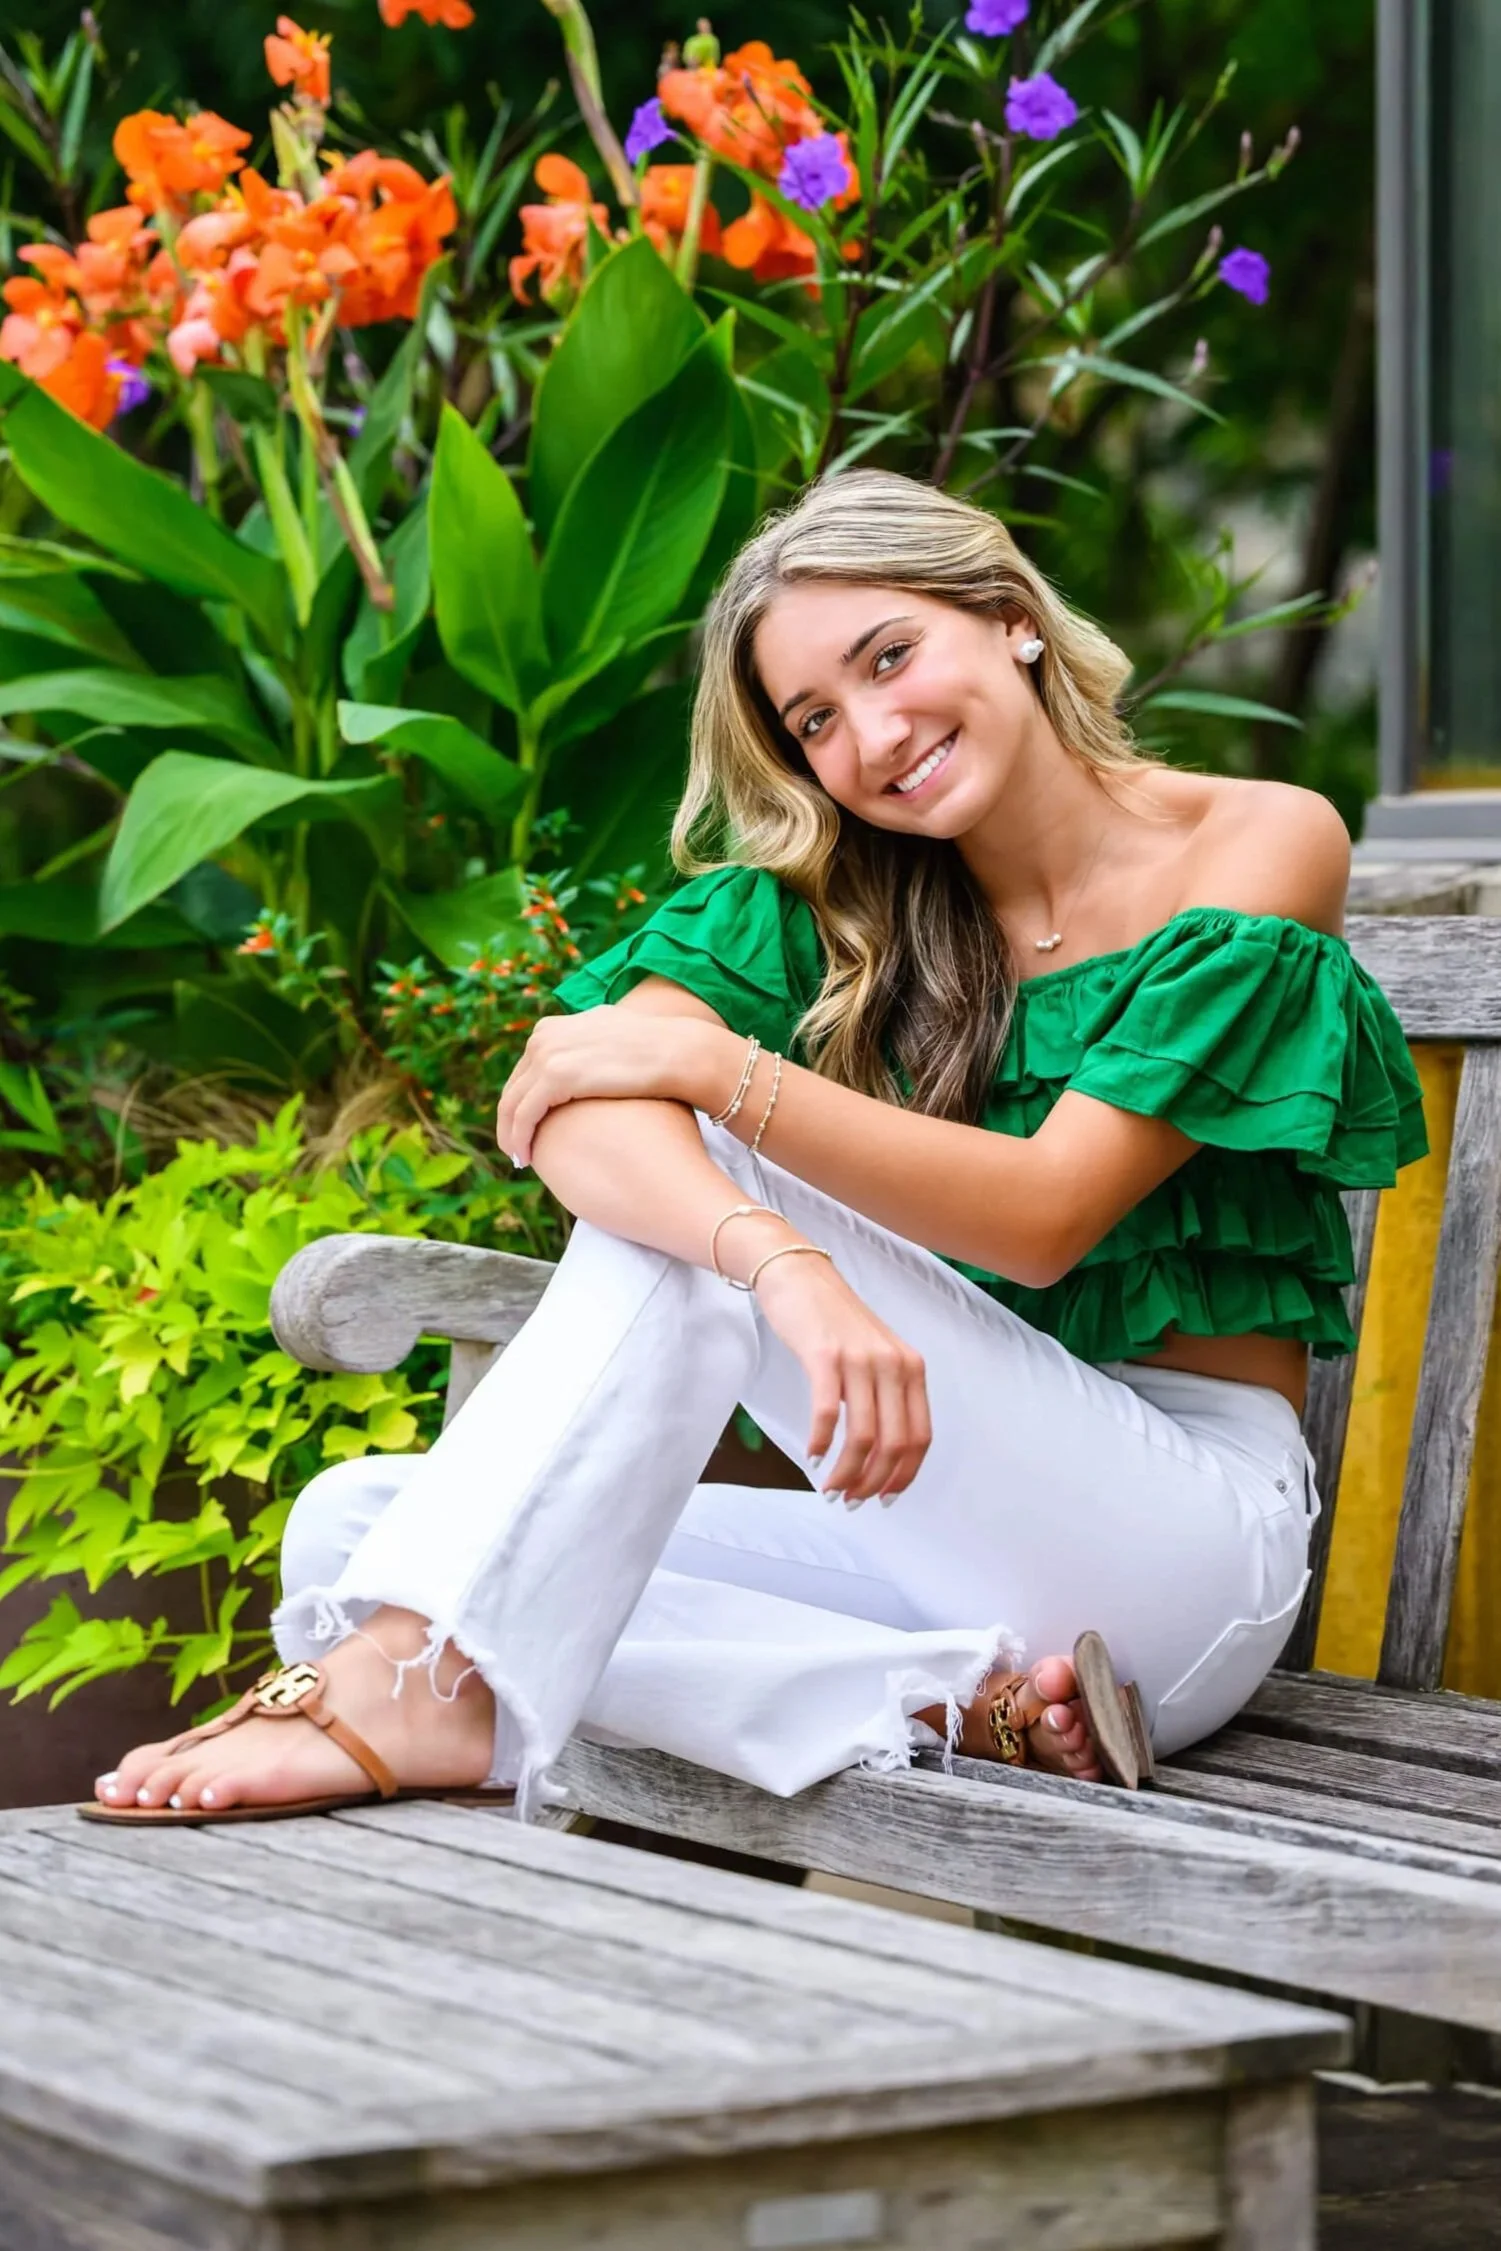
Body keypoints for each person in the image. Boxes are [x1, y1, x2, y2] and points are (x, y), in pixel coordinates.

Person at [85, 468, 1426, 1828]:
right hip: (948, 1562)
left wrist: (726, 1076)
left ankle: (422, 1692)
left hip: (1175, 1551)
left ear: (1011, 614)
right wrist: (780, 1262)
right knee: (358, 1534)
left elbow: (1048, 1212)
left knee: (457, 1579)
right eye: (817, 722)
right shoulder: (833, 912)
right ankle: (956, 1701)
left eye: (890, 656)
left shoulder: (1256, 840)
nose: (876, 735)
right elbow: (582, 1104)